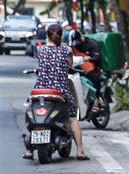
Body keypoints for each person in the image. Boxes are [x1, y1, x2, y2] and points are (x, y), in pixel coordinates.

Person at [24, 24, 89, 161]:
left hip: (40, 91)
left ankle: (29, 150)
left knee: (33, 113)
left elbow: (41, 62)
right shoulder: (67, 50)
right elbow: (70, 66)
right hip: (60, 91)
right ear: (62, 35)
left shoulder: (40, 50)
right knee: (72, 118)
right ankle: (80, 151)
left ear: (47, 35)